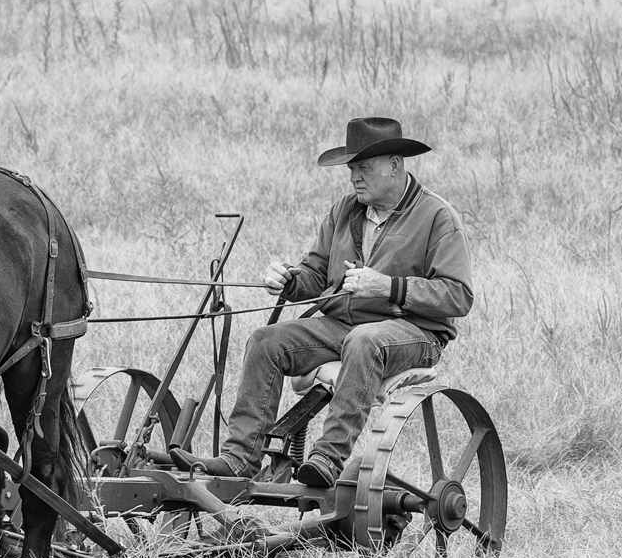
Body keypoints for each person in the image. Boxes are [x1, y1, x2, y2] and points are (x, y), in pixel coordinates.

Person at [196, 117, 473, 488]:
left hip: (414, 332)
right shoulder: (344, 210)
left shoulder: (437, 217)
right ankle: (239, 458)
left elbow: (458, 295)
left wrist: (388, 287)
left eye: (363, 168)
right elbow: (316, 276)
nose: (354, 177)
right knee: (266, 340)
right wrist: (289, 280)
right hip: (343, 325)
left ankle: (327, 457)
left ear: (395, 165)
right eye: (352, 168)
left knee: (364, 341)